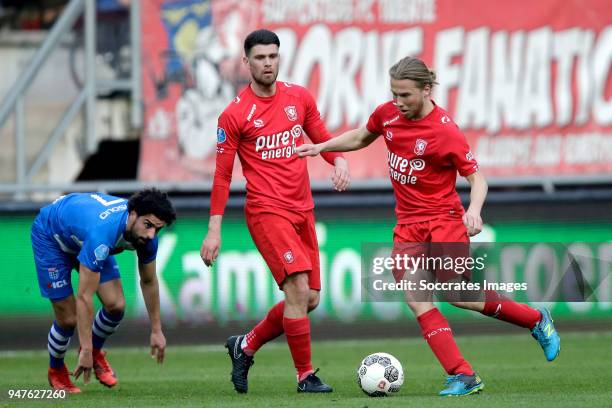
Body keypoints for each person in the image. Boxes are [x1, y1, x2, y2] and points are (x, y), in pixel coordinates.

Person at [297, 56, 561, 397]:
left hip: (444, 221)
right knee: (415, 296)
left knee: (458, 295)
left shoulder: (444, 131)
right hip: (408, 225)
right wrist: (322, 147)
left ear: (426, 89)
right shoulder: (387, 114)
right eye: (394, 94)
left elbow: (476, 178)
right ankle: (463, 374)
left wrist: (475, 211)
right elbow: (363, 137)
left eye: (405, 95)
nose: (398, 102)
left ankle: (535, 320)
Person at [200, 29, 350, 394]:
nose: (267, 63)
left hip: (303, 210)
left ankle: (245, 345)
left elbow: (322, 138)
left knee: (309, 299)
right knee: (298, 287)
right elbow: (222, 176)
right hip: (267, 211)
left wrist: (339, 159)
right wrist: (214, 229)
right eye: (260, 57)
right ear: (246, 62)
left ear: (279, 58)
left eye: (273, 56)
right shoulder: (234, 114)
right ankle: (305, 376)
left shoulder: (298, 98)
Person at [31, 188, 176, 393]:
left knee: (116, 305)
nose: (151, 234)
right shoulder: (103, 233)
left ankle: (96, 351)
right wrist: (85, 349)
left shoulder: (147, 236)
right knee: (68, 319)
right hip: (52, 237)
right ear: (132, 214)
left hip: (84, 235)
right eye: (148, 225)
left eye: (157, 229)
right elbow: (84, 296)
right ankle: (56, 370)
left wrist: (156, 330)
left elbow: (149, 280)